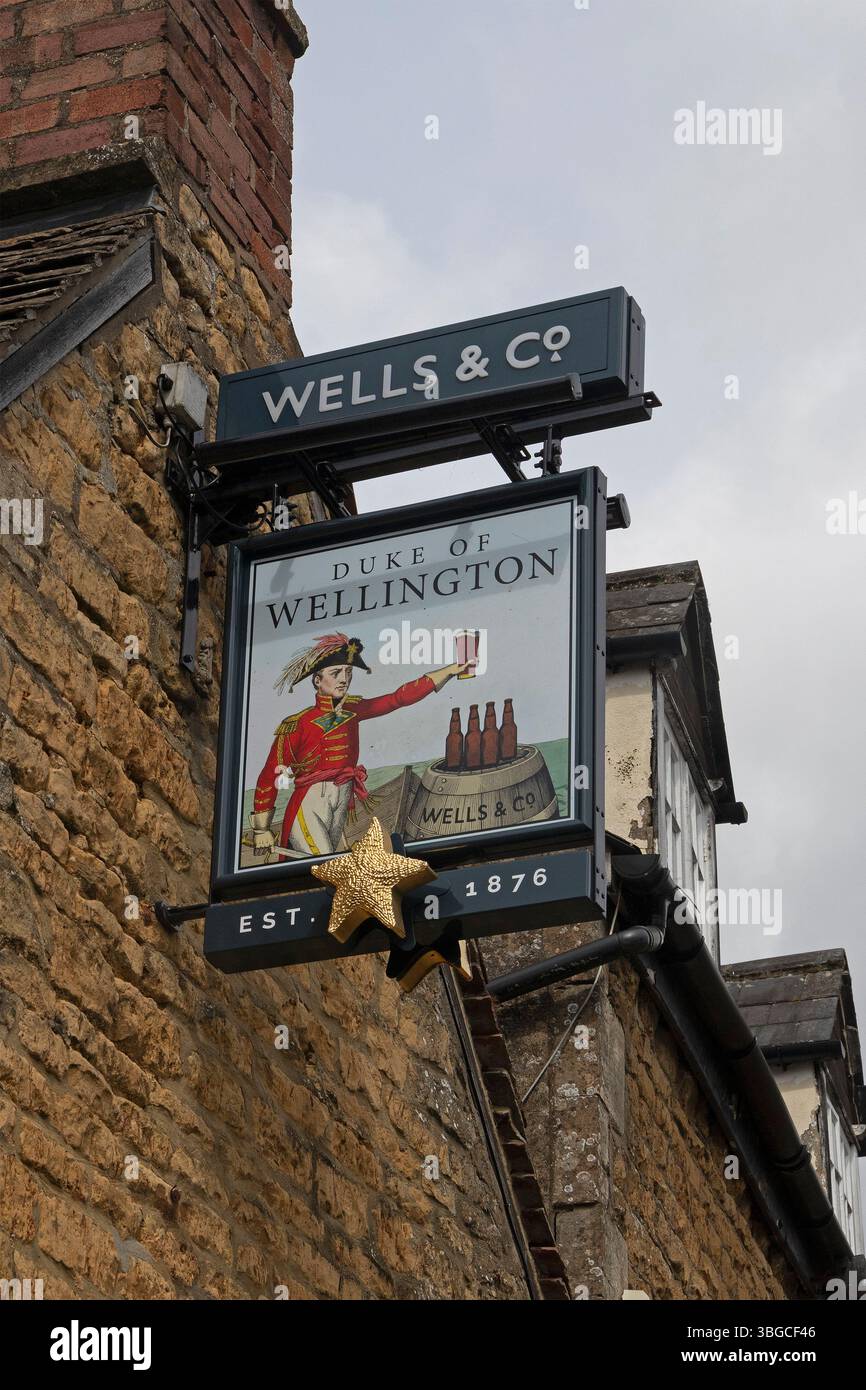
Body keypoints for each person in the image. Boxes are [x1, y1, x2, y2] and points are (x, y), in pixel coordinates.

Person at [249, 633, 472, 858]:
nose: (344, 679)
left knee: (325, 866)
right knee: (328, 864)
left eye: (348, 672)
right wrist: (261, 829)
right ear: (317, 680)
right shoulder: (297, 724)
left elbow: (396, 699)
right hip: (310, 803)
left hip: (342, 799)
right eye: (336, 673)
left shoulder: (353, 709)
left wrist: (448, 671)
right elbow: (270, 774)